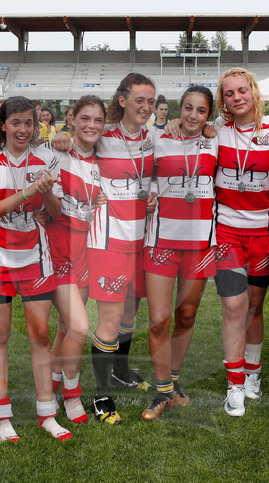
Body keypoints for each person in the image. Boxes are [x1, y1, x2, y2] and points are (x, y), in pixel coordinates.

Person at [0, 95, 70, 442]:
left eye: (29, 123)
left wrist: (45, 195)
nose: (22, 129)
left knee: (39, 335)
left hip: (36, 257)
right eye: (15, 122)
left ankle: (47, 413)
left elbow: (56, 214)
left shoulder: (46, 157)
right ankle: (3, 417)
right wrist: (29, 190)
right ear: (2, 125)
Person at [211, 68, 269, 416]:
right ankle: (234, 384)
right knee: (233, 307)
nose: (236, 98)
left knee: (253, 307)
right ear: (223, 100)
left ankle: (253, 374)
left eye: (241, 90)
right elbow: (183, 133)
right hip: (226, 233)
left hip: (265, 235)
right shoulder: (216, 128)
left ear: (253, 91)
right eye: (229, 93)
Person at [83, 73, 156, 424]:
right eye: (139, 99)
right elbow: (68, 150)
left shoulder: (156, 136)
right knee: (110, 321)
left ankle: (120, 371)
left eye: (151, 101)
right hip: (109, 240)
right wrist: (65, 141)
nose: (145, 107)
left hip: (143, 239)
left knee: (130, 314)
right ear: (122, 99)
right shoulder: (101, 136)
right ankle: (101, 395)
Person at [141, 86, 217, 420]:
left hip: (200, 242)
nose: (192, 116)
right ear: (178, 109)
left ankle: (173, 382)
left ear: (209, 115)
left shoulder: (218, 139)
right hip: (162, 239)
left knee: (186, 315)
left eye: (201, 111)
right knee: (158, 319)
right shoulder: (158, 139)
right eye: (187, 108)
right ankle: (160, 393)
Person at [45, 95, 108, 425]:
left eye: (98, 120)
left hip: (85, 250)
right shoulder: (59, 152)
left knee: (68, 327)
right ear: (71, 120)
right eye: (85, 119)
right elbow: (51, 210)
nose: (92, 126)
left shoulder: (102, 160)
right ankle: (72, 395)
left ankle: (53, 387)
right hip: (58, 249)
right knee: (82, 326)